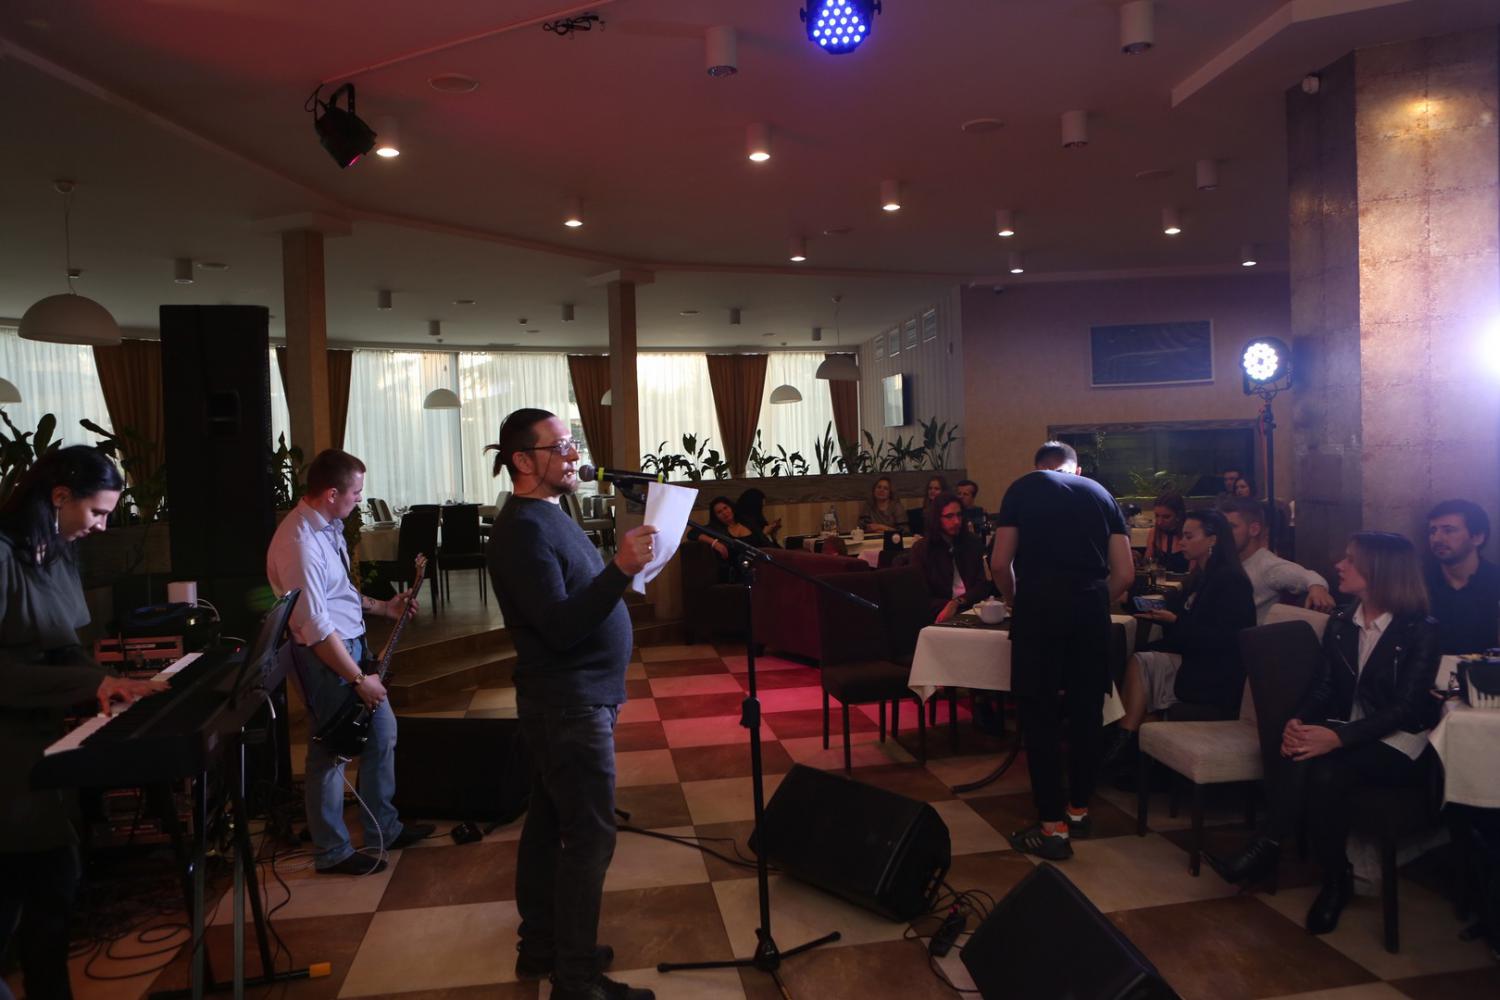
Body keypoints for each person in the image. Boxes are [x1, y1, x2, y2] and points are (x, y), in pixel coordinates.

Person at [484, 408, 657, 1000]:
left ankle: (542, 947)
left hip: (572, 700)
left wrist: (621, 572)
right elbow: (558, 627)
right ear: (522, 460)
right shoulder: (522, 531)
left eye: (572, 444)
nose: (573, 455)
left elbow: (578, 597)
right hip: (567, 705)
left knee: (548, 825)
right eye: (559, 447)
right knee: (590, 838)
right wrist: (619, 570)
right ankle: (576, 980)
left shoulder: (550, 515)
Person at [1208, 532, 1442, 936]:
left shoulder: (1420, 629)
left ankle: (1291, 859)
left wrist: (1338, 738)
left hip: (1401, 741)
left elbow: (1405, 709)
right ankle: (1325, 873)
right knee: (1309, 756)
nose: (1339, 565)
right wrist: (1298, 720)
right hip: (1350, 730)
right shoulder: (1342, 622)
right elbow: (1323, 687)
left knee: (1324, 769)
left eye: (1350, 559)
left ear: (1380, 569)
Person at [1, 446, 166, 1000]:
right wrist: (89, 684)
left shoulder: (57, 551)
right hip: (6, 749)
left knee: (53, 885)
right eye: (96, 512)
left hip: (40, 743)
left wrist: (113, 680)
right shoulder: (3, 555)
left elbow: (62, 650)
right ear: (59, 497)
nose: (101, 526)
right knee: (36, 883)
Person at [266, 449, 430, 876]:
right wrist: (358, 679)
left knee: (382, 733)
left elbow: (339, 592)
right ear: (331, 493)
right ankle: (332, 851)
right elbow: (316, 627)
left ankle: (383, 828)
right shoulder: (299, 542)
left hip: (349, 647)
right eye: (356, 492)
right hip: (325, 657)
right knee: (332, 749)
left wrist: (383, 607)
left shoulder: (327, 527)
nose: (360, 498)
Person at [991, 441, 1134, 860]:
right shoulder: (1101, 494)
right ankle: (1079, 810)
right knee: (1087, 713)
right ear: (1076, 468)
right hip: (1090, 612)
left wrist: (1015, 600)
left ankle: (1052, 827)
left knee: (1040, 716)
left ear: (1038, 466)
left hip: (1038, 608)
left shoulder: (1022, 488)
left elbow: (1000, 563)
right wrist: (1094, 600)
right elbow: (1125, 573)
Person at [1105, 509, 1257, 769]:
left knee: (1141, 662)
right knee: (1139, 661)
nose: (1182, 542)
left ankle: (1121, 745)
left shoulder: (1230, 581)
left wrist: (1175, 622)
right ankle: (1125, 747)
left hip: (1215, 673)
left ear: (1212, 540)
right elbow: (1171, 607)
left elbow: (1222, 639)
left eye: (1189, 536)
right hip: (1196, 658)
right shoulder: (1202, 576)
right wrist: (1131, 601)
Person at [1222, 498, 1335, 622]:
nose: (1223, 533)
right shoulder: (1229, 561)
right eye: (1222, 527)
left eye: (1231, 527)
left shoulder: (1268, 566)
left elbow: (1310, 577)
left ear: (1254, 529)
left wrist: (1317, 587)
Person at [1425, 499, 1500, 654]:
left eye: (1448, 530)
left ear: (1477, 537)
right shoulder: (1418, 583)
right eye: (1433, 531)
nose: (1437, 539)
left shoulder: (1495, 582)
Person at [910, 493, 989, 623]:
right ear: (936, 518)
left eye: (959, 515)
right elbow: (919, 594)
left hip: (971, 607)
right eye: (949, 516)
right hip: (937, 612)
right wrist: (948, 606)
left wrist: (957, 602)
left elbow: (982, 585)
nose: (957, 521)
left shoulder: (972, 543)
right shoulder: (922, 549)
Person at [1143, 492, 1189, 574]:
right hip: (1159, 580)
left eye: (1166, 517)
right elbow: (1148, 565)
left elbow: (1193, 572)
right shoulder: (1154, 533)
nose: (1159, 522)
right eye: (1157, 516)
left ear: (1178, 515)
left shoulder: (1189, 534)